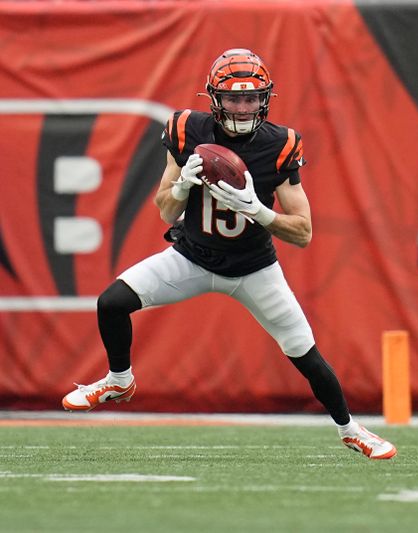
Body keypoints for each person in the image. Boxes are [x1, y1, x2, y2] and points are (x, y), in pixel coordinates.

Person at [62, 48, 396, 461]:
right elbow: (166, 209)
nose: (243, 106)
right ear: (214, 99)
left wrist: (258, 210)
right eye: (234, 98)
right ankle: (119, 379)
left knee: (304, 352)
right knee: (111, 302)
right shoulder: (186, 129)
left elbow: (304, 232)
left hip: (254, 269)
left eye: (252, 97)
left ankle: (351, 430)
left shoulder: (281, 143)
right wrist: (182, 187)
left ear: (265, 99)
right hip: (192, 257)